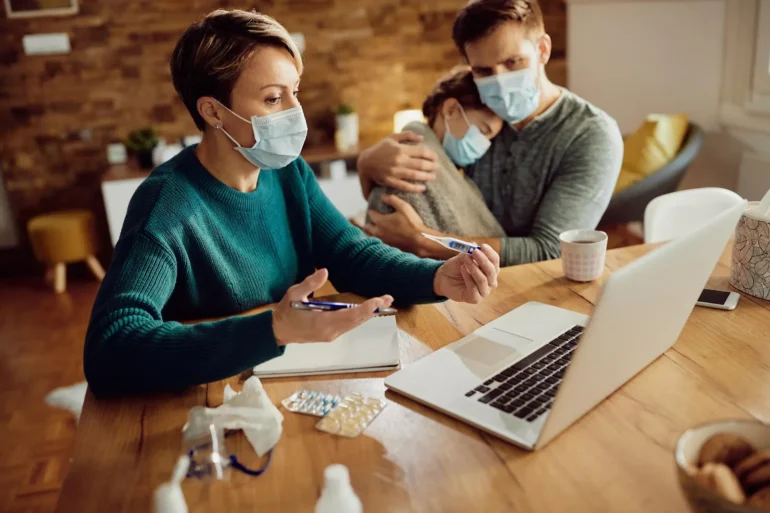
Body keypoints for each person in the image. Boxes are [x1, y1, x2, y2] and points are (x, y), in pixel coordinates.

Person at [83, 9, 500, 397]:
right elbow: (111, 348)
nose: (295, 112)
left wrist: (436, 277)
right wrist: (273, 330)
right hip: (214, 398)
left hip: (289, 383)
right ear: (213, 111)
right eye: (271, 98)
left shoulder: (288, 173)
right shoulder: (166, 205)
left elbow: (351, 253)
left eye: (294, 92)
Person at [361, 0, 623, 266]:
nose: (499, 81)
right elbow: (428, 188)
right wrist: (367, 164)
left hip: (535, 284)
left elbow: (550, 250)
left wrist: (427, 241)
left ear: (543, 50)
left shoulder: (591, 135)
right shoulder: (478, 111)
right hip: (459, 280)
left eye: (512, 62)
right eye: (483, 70)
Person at [367, 67, 506, 242]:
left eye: (491, 138)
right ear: (451, 109)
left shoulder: (458, 173)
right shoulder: (411, 165)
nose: (484, 144)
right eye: (482, 131)